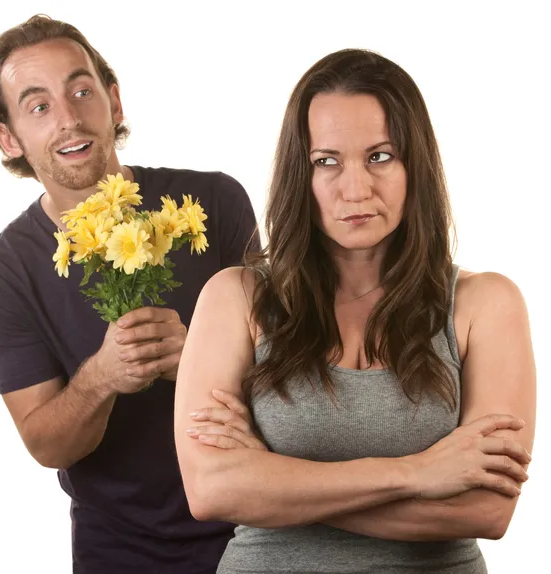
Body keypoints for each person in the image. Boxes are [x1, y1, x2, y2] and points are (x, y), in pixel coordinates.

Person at [174, 48, 536, 573]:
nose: (355, 189)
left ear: (417, 164)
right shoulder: (236, 297)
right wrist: (416, 473)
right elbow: (210, 490)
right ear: (302, 174)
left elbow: (487, 507)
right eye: (327, 162)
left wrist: (273, 479)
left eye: (380, 156)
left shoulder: (487, 303)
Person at [0, 14, 259, 574]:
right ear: (8, 138)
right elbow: (47, 446)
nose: (70, 118)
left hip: (256, 524)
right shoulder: (2, 272)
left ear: (114, 101)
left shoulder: (214, 202)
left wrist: (200, 359)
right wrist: (103, 375)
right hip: (120, 549)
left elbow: (301, 368)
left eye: (82, 90)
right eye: (39, 106)